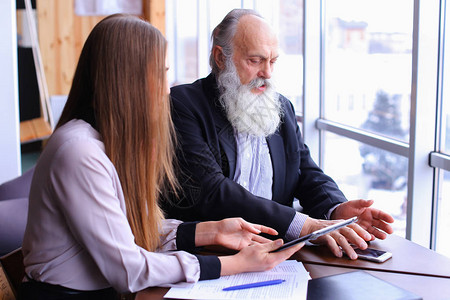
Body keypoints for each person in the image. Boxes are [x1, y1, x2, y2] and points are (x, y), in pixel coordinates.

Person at [20, 14, 303, 299]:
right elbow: (129, 270)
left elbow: (131, 230)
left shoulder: (102, 142)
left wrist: (211, 231)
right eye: (161, 72)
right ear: (127, 80)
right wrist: (232, 264)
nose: (166, 88)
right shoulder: (79, 152)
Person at [163, 8, 395, 260]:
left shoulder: (281, 106)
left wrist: (336, 210)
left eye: (272, 61)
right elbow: (212, 191)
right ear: (221, 58)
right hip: (208, 258)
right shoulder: (183, 104)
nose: (267, 73)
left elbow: (306, 172)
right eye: (255, 60)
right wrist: (304, 225)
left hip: (277, 255)